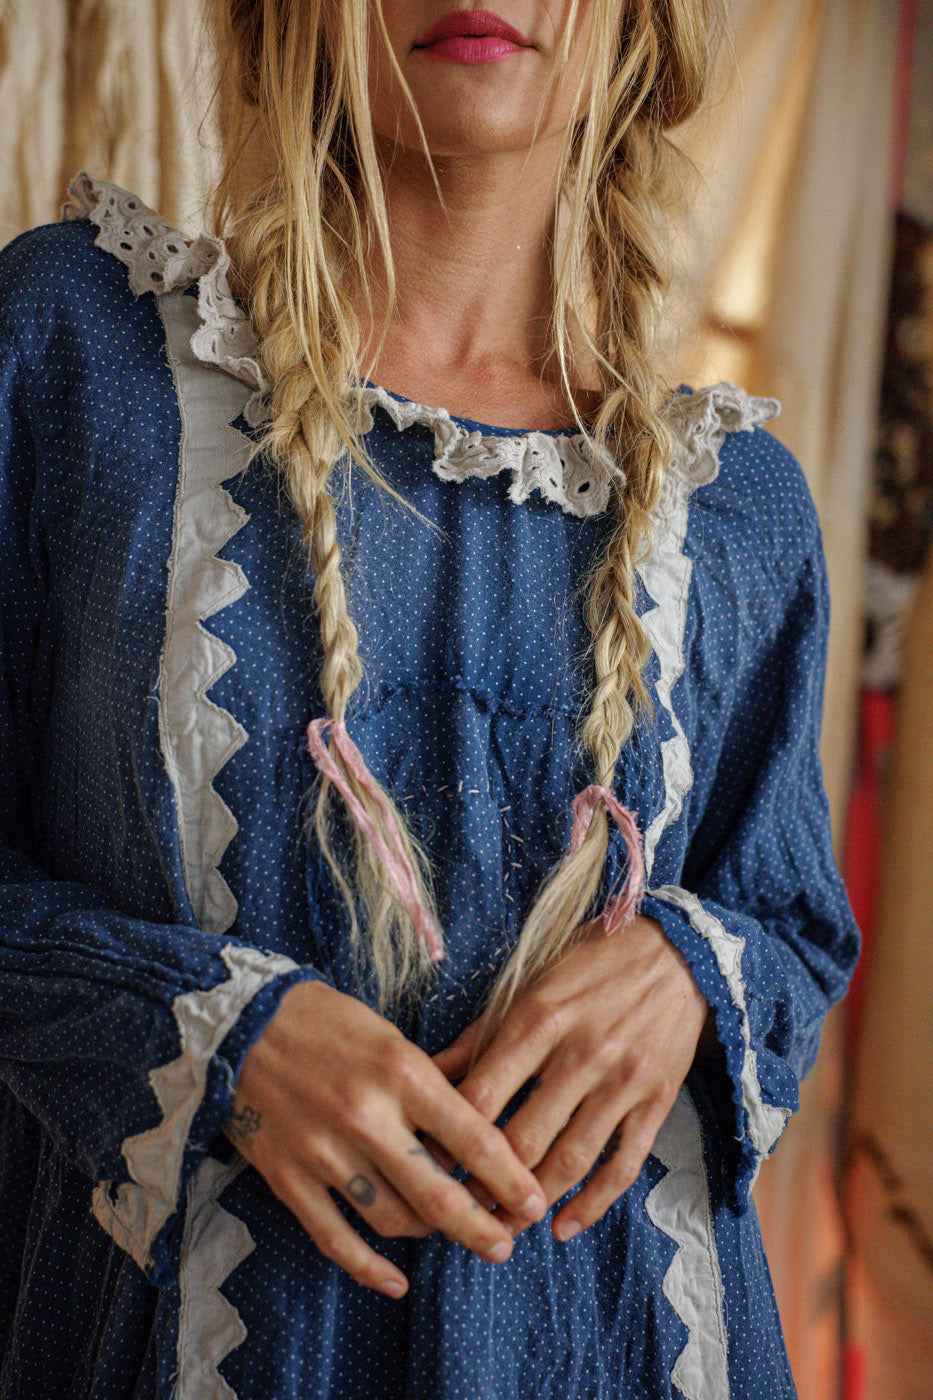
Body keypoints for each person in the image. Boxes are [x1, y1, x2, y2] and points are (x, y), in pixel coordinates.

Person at [0, 0, 860, 1396]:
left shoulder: (738, 509)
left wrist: (689, 970)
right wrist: (198, 1027)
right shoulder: (74, 354)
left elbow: (795, 925)